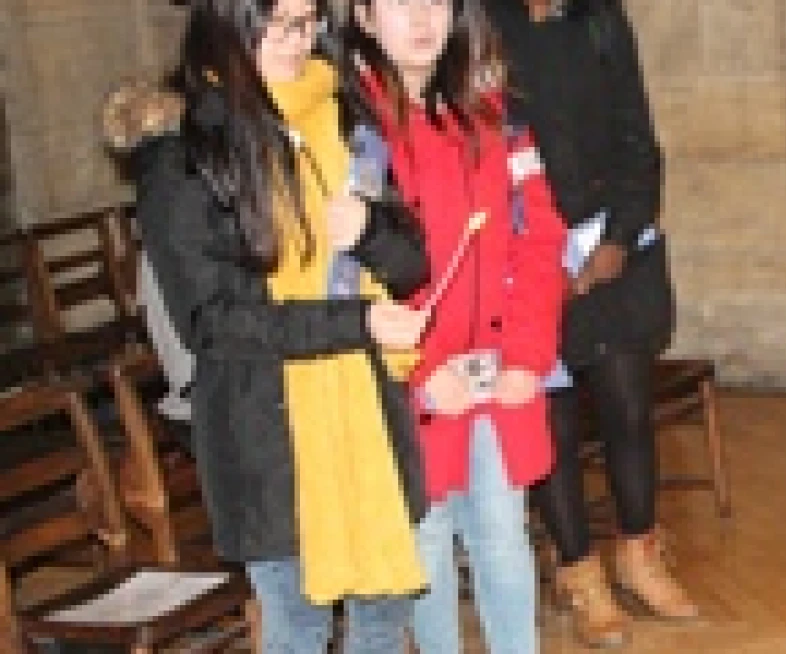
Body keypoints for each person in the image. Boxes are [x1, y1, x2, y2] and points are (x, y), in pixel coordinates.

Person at [104, 0, 432, 650]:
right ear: (225, 22)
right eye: (277, 23)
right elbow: (216, 322)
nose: (296, 40)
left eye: (307, 23)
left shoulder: (336, 116)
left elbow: (411, 260)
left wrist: (370, 231)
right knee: (296, 627)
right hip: (267, 438)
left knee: (384, 616)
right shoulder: (181, 155)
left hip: (364, 415)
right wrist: (356, 320)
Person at [341, 0, 565, 650]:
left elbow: (538, 235)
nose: (421, 18)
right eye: (400, 2)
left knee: (502, 535)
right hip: (410, 378)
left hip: (497, 372)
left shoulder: (496, 111)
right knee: (427, 544)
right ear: (362, 14)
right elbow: (357, 269)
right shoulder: (355, 130)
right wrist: (425, 369)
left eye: (435, 0)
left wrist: (525, 354)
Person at [484, 0, 686, 647]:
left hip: (608, 234)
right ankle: (580, 575)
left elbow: (637, 133)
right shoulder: (480, 20)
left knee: (627, 407)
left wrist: (619, 239)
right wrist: (539, 256)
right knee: (552, 422)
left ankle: (639, 552)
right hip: (526, 245)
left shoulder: (599, 16)